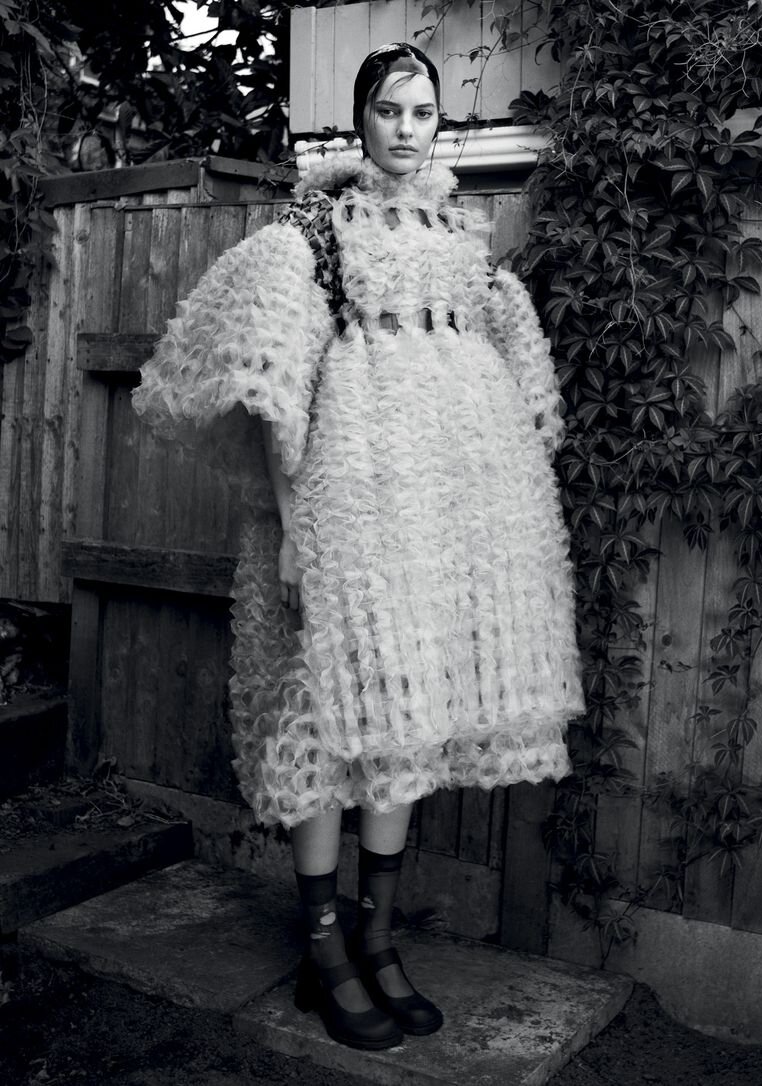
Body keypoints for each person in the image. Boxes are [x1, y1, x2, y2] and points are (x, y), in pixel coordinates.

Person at [132, 42, 584, 1052]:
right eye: (389, 109)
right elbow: (274, 390)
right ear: (360, 117)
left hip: (422, 533)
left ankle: (377, 941)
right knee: (316, 728)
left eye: (423, 112)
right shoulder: (313, 237)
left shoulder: (465, 245)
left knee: (399, 727)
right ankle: (324, 949)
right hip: (334, 525)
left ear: (438, 123)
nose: (406, 128)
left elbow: (504, 401)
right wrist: (296, 535)